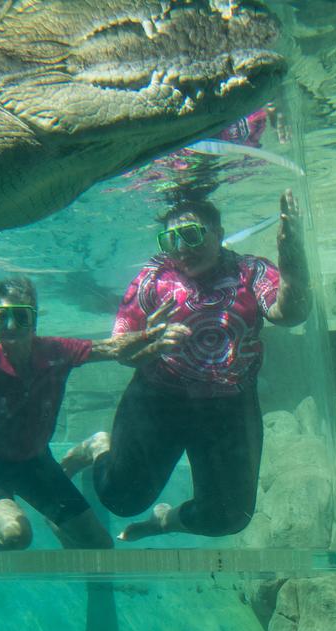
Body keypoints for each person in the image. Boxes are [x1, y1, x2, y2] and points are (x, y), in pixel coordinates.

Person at [63, 189, 310, 541]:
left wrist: (292, 259)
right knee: (120, 499)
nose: (180, 247)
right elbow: (119, 349)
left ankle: (165, 522)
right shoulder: (153, 279)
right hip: (159, 398)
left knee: (229, 518)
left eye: (191, 234)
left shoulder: (249, 271)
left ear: (219, 234)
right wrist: (145, 342)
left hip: (229, 405)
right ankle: (99, 447)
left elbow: (290, 314)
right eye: (170, 238)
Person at [0, 275, 171, 551]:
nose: (10, 326)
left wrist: (148, 334)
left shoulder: (54, 351)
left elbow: (110, 347)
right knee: (17, 536)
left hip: (35, 465)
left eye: (20, 316)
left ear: (34, 320)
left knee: (100, 546)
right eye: (1, 316)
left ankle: (54, 515)